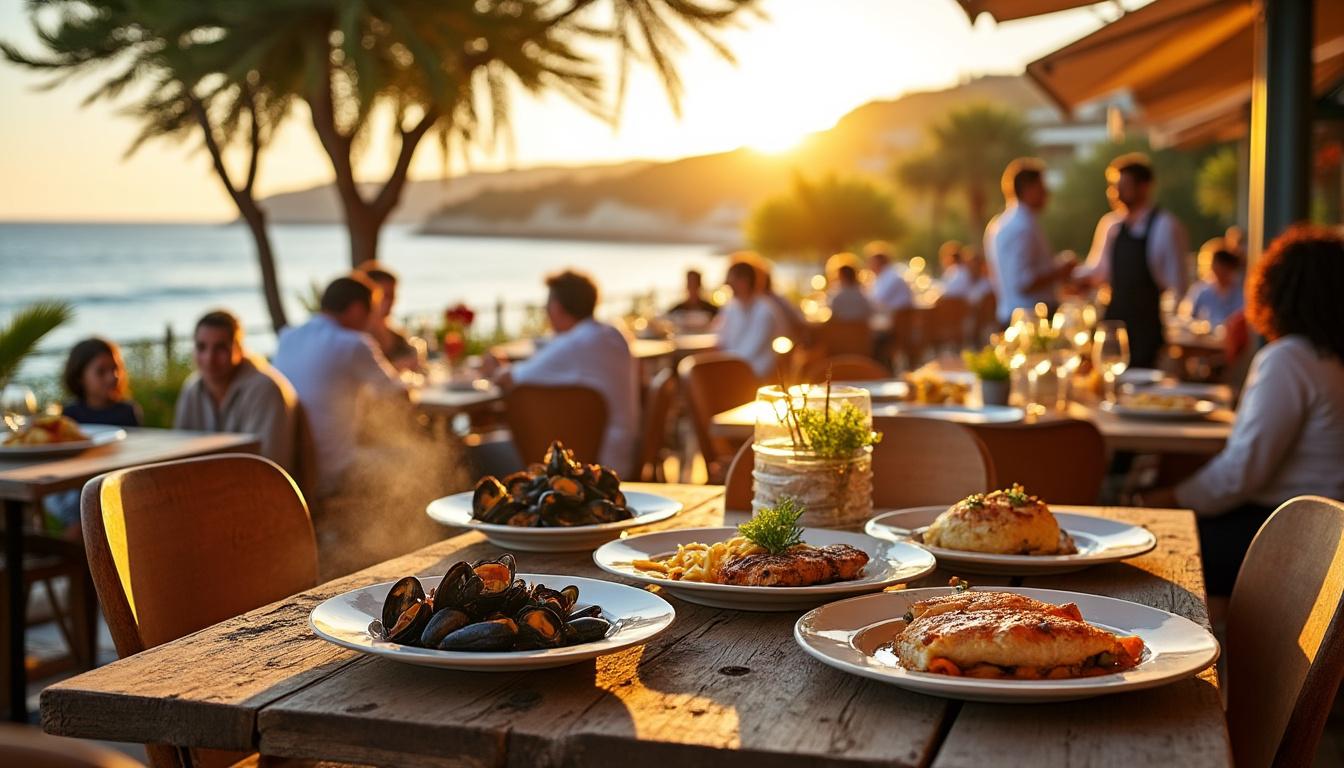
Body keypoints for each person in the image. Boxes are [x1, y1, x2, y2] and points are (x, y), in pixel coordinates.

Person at [1141, 225, 1344, 595]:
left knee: (1148, 547)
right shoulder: (1328, 360)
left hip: (1285, 534)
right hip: (1325, 535)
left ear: (1279, 290)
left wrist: (1167, 500)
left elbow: (1240, 475)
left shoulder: (1290, 359)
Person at [483, 270, 639, 477]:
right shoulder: (612, 335)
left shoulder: (573, 345)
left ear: (556, 308)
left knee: (475, 451)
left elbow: (507, 379)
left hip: (587, 469)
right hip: (625, 457)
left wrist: (495, 367)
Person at [273, 274, 406, 497]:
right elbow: (399, 394)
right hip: (333, 468)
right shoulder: (352, 343)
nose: (372, 319)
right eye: (371, 311)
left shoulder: (287, 336)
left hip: (292, 467)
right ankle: (410, 530)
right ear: (355, 309)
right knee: (411, 458)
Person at [1076, 153, 1190, 368]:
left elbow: (1178, 285)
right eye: (1114, 186)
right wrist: (1072, 276)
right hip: (1112, 322)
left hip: (1146, 327)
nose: (1116, 193)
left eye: (1123, 186)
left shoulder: (1165, 226)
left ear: (1144, 187)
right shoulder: (1111, 226)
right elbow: (1099, 271)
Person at [174, 310, 299, 472]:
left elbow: (270, 467)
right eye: (201, 347)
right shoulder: (192, 388)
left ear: (239, 349)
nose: (209, 358)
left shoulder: (265, 389)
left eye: (220, 348)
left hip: (264, 491)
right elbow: (179, 457)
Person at [983, 157, 1074, 324]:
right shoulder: (1022, 227)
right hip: (1030, 320)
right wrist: (1059, 271)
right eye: (1041, 187)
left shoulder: (1000, 224)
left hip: (1014, 315)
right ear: (1028, 189)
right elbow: (1023, 282)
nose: (1046, 193)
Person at [715, 257, 789, 380]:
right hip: (735, 367)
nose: (730, 288)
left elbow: (751, 349)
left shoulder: (765, 310)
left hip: (758, 372)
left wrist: (721, 363)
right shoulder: (731, 307)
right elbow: (721, 338)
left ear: (745, 281)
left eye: (733, 283)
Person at [61, 337, 142, 427]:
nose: (112, 377)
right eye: (101, 372)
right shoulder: (70, 415)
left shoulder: (127, 411)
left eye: (115, 369)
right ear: (79, 377)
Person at [356, 260, 420, 372]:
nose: (390, 302)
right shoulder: (356, 337)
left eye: (392, 296)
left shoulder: (397, 338)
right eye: (385, 296)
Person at [1183, 243, 1244, 326]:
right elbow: (1186, 318)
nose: (1221, 272)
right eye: (1217, 267)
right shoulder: (1200, 291)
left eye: (1225, 268)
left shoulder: (1241, 294)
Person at [867, 243, 913, 314]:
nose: (869, 266)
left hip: (898, 318)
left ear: (878, 263)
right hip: (894, 315)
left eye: (871, 262)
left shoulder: (891, 277)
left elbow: (878, 299)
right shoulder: (884, 276)